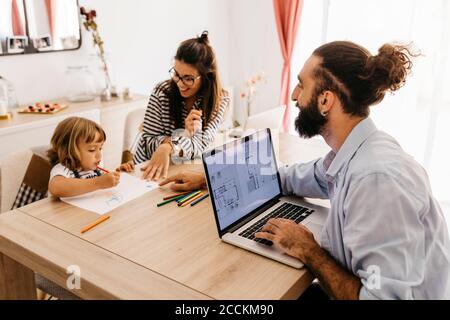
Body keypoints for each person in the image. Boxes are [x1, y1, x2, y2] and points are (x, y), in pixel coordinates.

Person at [160, 41, 450, 300]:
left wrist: (309, 251)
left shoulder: (375, 180)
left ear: (326, 100)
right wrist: (211, 180)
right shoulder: (355, 152)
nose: (294, 95)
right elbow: (291, 177)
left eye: (301, 85)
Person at [133, 31, 229, 181]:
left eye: (188, 79)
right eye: (176, 74)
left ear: (206, 77)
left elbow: (200, 146)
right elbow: (148, 142)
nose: (179, 83)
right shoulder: (161, 92)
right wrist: (178, 140)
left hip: (183, 169)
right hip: (147, 170)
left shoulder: (219, 99)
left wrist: (169, 145)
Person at [47, 117, 134, 198]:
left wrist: (119, 172)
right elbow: (56, 187)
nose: (99, 155)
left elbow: (106, 181)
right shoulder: (63, 169)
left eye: (100, 148)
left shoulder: (95, 169)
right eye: (92, 150)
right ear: (68, 151)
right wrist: (98, 183)